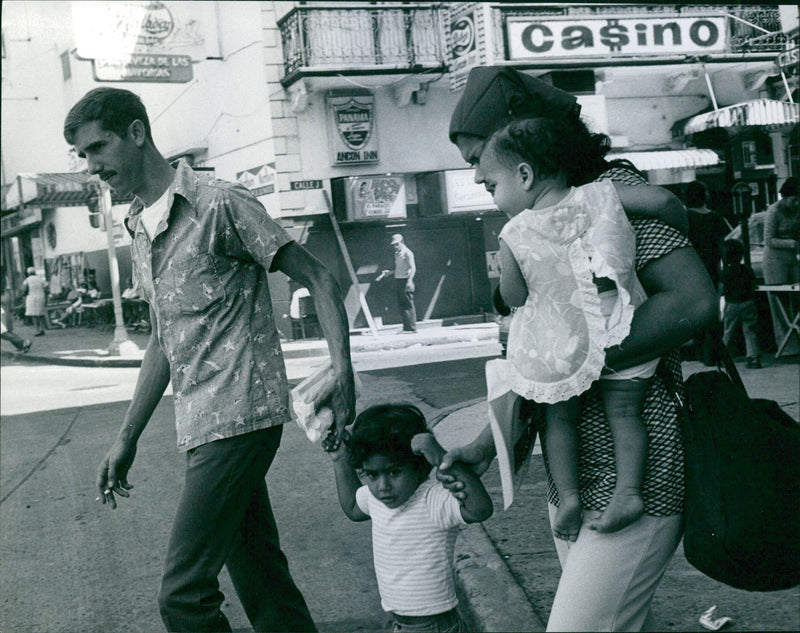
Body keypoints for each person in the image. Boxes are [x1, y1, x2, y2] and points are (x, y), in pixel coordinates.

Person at [64, 87, 356, 633]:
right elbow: (161, 340)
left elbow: (319, 278)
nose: (93, 166)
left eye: (98, 147)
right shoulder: (139, 225)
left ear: (136, 132)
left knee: (183, 595)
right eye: (82, 156)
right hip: (201, 423)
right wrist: (126, 437)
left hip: (242, 415)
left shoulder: (220, 203)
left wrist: (343, 375)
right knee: (261, 577)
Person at [443, 65, 717, 631]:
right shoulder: (536, 217)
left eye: (477, 161)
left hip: (638, 467)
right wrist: (486, 446)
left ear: (523, 142)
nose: (475, 178)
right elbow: (544, 357)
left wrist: (573, 362)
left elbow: (690, 300)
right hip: (574, 478)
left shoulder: (610, 193)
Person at [481, 116, 689, 539]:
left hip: (562, 342)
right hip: (618, 325)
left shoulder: (514, 231)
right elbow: (667, 204)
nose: (493, 197)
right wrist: (679, 238)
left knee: (558, 417)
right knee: (625, 412)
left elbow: (516, 297)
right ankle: (629, 493)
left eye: (491, 186)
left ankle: (571, 495)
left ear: (524, 175)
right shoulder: (599, 195)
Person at [328, 404, 492, 633]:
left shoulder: (431, 499)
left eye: (394, 472)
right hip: (401, 622)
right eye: (372, 475)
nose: (383, 486)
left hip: (434, 626)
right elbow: (353, 507)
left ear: (417, 466)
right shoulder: (376, 498)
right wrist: (339, 459)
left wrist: (441, 458)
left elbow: (480, 509)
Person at [685, 180, 728, 365]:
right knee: (712, 310)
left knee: (695, 309)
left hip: (690, 268)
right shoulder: (715, 217)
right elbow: (724, 244)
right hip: (712, 268)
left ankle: (699, 350)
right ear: (705, 195)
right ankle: (712, 353)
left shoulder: (685, 217)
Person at [763, 177, 799, 355]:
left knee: (796, 299)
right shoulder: (774, 211)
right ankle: (786, 345)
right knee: (780, 301)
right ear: (785, 197)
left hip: (792, 259)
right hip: (774, 259)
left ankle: (796, 337)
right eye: (794, 199)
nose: (797, 203)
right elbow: (768, 240)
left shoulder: (797, 211)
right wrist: (792, 243)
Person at [720, 239, 762, 369]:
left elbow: (721, 290)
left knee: (728, 331)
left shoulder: (724, 272)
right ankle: (754, 358)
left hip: (731, 303)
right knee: (750, 330)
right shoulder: (747, 269)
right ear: (741, 255)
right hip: (748, 303)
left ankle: (723, 357)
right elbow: (753, 285)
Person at [375, 234, 417, 332]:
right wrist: (390, 272)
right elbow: (399, 268)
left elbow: (413, 268)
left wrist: (410, 281)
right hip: (398, 280)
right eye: (394, 245)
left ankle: (412, 328)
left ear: (402, 242)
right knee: (402, 304)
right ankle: (406, 328)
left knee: (408, 304)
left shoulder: (408, 253)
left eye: (397, 244)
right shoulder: (397, 253)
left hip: (405, 280)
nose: (395, 247)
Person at [22, 266, 48, 336]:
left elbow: (24, 290)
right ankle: (43, 329)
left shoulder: (27, 280)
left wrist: (23, 296)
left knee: (34, 314)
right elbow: (46, 288)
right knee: (41, 314)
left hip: (31, 298)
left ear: (28, 273)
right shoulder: (40, 279)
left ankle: (37, 329)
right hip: (41, 297)